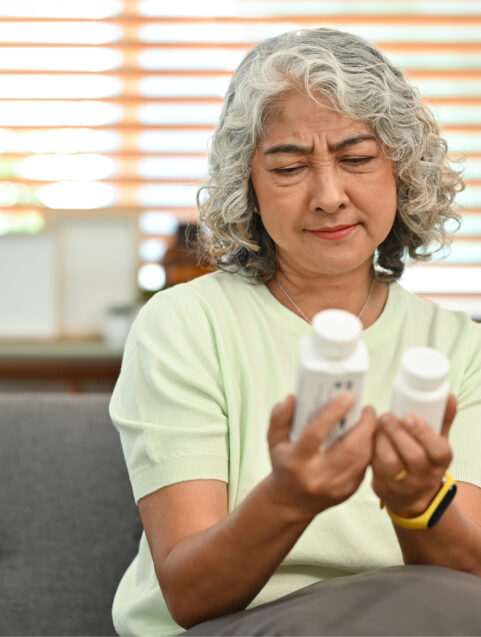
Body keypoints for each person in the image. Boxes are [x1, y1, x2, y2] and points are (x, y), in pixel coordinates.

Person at [110, 28, 481, 636]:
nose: (330, 196)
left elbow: (466, 589)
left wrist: (419, 507)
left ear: (403, 171)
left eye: (357, 159)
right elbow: (190, 593)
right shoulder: (184, 324)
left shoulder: (462, 349)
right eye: (289, 167)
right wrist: (288, 498)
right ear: (248, 188)